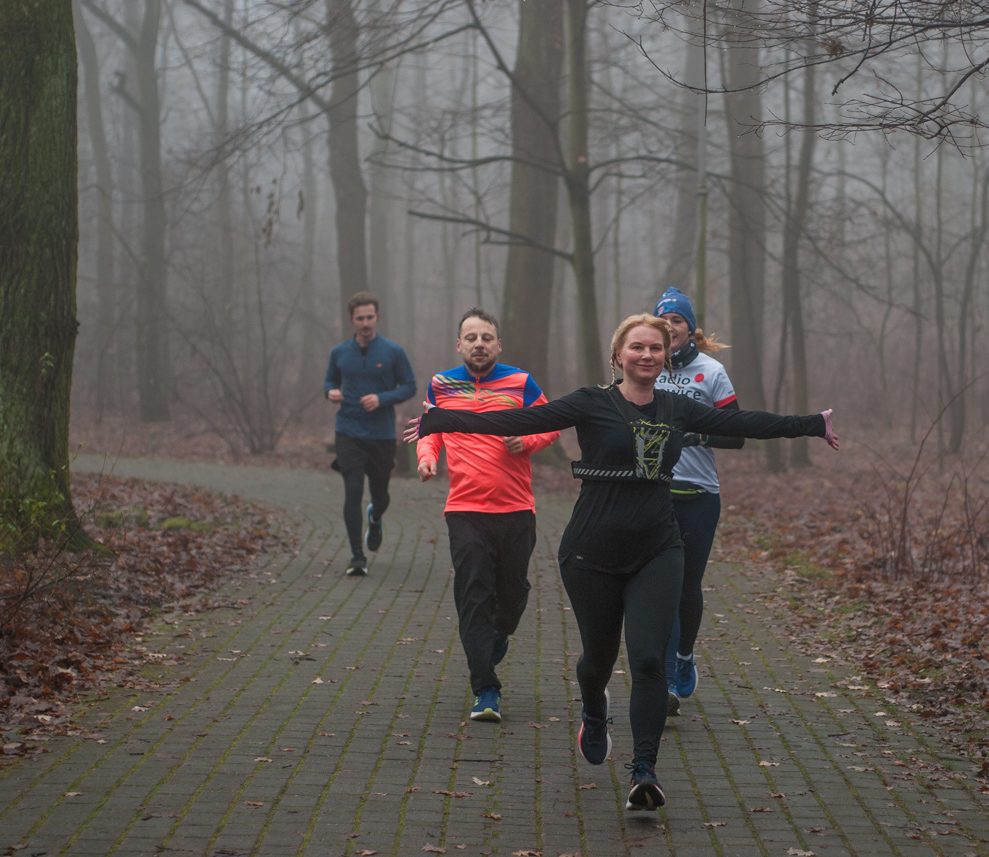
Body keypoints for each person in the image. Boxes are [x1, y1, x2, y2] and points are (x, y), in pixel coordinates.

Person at [408, 314, 838, 813]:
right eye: (637, 347)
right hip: (591, 551)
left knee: (649, 660)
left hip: (658, 547)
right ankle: (594, 712)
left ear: (666, 356)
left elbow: (743, 423)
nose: (647, 355)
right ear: (618, 356)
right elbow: (517, 421)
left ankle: (644, 772)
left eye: (656, 348)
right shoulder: (591, 402)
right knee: (597, 660)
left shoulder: (678, 407)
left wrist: (813, 424)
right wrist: (444, 419)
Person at [413, 309, 560, 724]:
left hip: (516, 509)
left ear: (498, 345)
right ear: (458, 345)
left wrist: (526, 440)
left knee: (512, 598)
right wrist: (427, 459)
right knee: (473, 594)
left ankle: (497, 637)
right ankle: (486, 688)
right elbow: (431, 430)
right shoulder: (441, 385)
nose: (479, 343)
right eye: (471, 337)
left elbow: (551, 425)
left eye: (486, 337)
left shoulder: (521, 382)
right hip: (465, 510)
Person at [651, 287, 741, 717]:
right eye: (663, 320)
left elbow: (738, 433)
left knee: (687, 585)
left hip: (700, 495)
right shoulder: (645, 367)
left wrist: (698, 435)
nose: (670, 328)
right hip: (655, 493)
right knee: (662, 586)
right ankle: (665, 682)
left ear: (689, 328)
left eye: (677, 321)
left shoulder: (711, 372)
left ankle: (684, 654)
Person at [325, 292, 416, 577]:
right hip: (349, 431)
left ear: (377, 317)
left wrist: (382, 398)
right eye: (360, 318)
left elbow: (410, 386)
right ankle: (357, 557)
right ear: (351, 320)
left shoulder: (393, 351)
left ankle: (375, 519)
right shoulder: (339, 353)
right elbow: (329, 380)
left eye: (370, 317)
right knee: (352, 491)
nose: (365, 323)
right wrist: (330, 392)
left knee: (381, 494)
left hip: (381, 434)